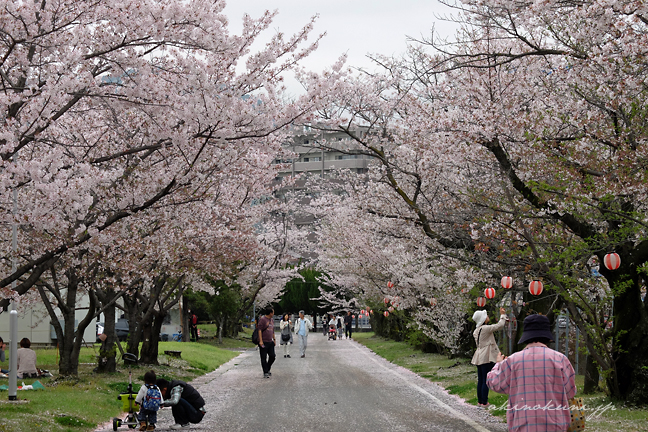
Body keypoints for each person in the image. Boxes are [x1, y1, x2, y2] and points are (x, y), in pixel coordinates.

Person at [487, 314, 576, 431]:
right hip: (555, 426)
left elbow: (494, 383)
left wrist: (498, 364)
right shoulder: (560, 359)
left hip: (522, 425)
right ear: (547, 336)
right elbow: (570, 392)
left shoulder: (512, 361)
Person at [471, 307, 507, 407]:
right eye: (485, 316)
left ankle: (480, 401)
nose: (487, 317)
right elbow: (500, 326)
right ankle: (485, 402)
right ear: (482, 319)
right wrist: (502, 315)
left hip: (479, 357)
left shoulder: (476, 331)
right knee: (485, 380)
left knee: (481, 380)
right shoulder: (486, 329)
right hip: (486, 357)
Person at [257, 308, 276, 378]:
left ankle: (267, 368)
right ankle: (265, 372)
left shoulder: (272, 320)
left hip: (270, 341)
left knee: (272, 356)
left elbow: (272, 330)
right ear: (270, 313)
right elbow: (259, 330)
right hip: (264, 341)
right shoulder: (262, 320)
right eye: (273, 312)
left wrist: (274, 339)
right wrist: (261, 341)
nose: (273, 314)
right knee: (263, 357)